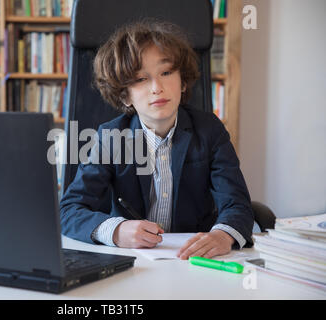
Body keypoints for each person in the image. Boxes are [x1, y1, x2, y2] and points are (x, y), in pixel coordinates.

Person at [60, 20, 254, 260]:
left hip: (196, 261)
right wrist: (117, 230)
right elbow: (69, 211)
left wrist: (223, 235)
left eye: (166, 72)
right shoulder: (111, 137)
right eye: (140, 79)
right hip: (133, 262)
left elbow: (238, 205)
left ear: (182, 81)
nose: (156, 87)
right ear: (125, 95)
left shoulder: (209, 130)